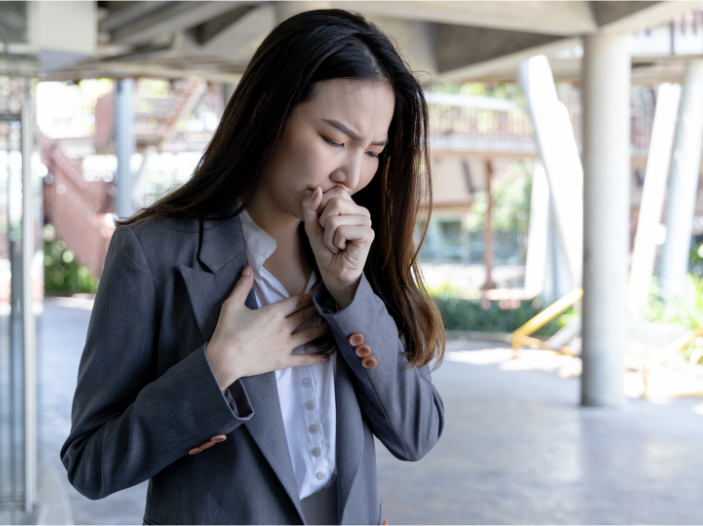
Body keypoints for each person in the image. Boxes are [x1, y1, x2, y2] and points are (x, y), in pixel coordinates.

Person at [60, 9, 446, 525]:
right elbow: (91, 464)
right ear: (269, 113)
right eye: (334, 140)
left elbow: (417, 435)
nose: (351, 174)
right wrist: (216, 370)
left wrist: (350, 290)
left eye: (373, 150)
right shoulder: (153, 253)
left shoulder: (355, 252)